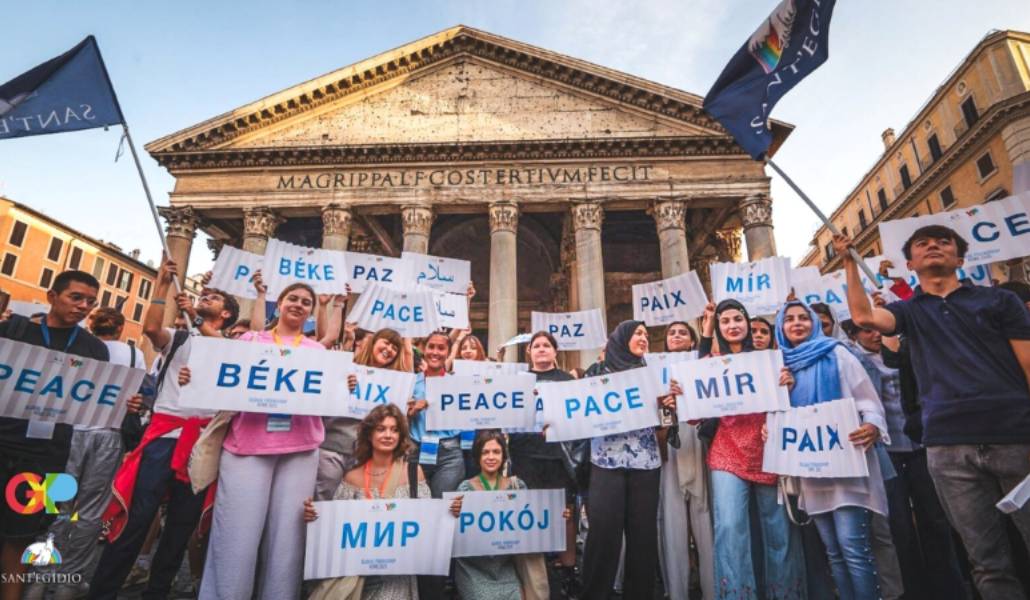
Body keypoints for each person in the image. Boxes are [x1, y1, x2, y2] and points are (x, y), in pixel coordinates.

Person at [836, 226, 1030, 599]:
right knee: (987, 560)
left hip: (1014, 436)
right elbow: (862, 316)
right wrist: (848, 262)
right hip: (947, 446)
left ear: (960, 259)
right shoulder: (908, 311)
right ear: (911, 263)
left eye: (944, 242)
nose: (933, 247)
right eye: (923, 244)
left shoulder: (999, 302)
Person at [89, 257, 239, 600]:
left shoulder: (232, 348)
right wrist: (161, 286)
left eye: (214, 297)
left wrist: (199, 320)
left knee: (181, 526)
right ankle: (104, 590)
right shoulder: (181, 337)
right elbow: (152, 329)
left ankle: (158, 591)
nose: (206, 297)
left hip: (201, 443)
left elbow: (223, 356)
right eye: (205, 295)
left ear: (226, 313)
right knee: (138, 517)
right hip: (165, 438)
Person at [182, 281, 334, 599]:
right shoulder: (250, 340)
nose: (299, 304)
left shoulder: (318, 352)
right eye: (292, 298)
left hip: (300, 448)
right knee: (236, 534)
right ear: (279, 304)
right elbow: (218, 373)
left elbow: (331, 393)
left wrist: (345, 383)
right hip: (247, 446)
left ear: (311, 312)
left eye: (306, 302)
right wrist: (193, 375)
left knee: (288, 540)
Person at [0, 271, 111, 600]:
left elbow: (97, 399)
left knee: (22, 538)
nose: (83, 306)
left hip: (49, 455)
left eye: (90, 301)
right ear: (52, 296)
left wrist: (125, 402)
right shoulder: (11, 332)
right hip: (3, 442)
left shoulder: (95, 350)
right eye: (75, 297)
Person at [842, 320, 966, 600]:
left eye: (882, 330)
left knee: (936, 522)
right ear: (854, 335)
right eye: (868, 330)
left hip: (922, 447)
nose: (877, 335)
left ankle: (950, 590)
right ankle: (913, 591)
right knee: (898, 528)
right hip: (887, 455)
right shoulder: (852, 363)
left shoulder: (910, 352)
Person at [776, 301, 889, 600]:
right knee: (834, 552)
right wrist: (781, 393)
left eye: (804, 318)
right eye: (789, 319)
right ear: (781, 327)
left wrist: (873, 426)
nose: (797, 323)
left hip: (847, 461)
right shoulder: (778, 365)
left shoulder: (837, 353)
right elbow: (775, 419)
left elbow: (868, 399)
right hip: (812, 471)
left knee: (854, 547)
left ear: (814, 322)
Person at [695, 300, 804, 599]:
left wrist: (789, 384)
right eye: (725, 320)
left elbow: (788, 403)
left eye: (738, 319)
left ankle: (784, 595)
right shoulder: (708, 365)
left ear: (747, 322)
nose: (733, 325)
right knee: (730, 529)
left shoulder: (771, 359)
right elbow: (694, 414)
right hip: (727, 453)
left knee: (779, 532)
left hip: (770, 451)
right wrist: (682, 395)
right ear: (718, 327)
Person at [580, 320, 679, 600]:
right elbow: (576, 412)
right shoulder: (597, 372)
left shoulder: (653, 374)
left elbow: (664, 424)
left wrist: (668, 407)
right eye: (638, 333)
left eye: (647, 335)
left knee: (642, 537)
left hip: (645, 464)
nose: (644, 338)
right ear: (621, 338)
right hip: (605, 464)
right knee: (603, 536)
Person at [304, 404, 430, 600]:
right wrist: (315, 516)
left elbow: (428, 522)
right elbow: (334, 526)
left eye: (394, 430)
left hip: (396, 574)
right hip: (357, 575)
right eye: (381, 429)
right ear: (369, 435)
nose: (388, 435)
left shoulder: (414, 473)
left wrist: (450, 513)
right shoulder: (352, 478)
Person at [507, 331, 581, 595]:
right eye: (536, 346)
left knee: (566, 513)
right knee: (529, 511)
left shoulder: (567, 381)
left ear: (554, 351)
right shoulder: (518, 381)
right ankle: (534, 570)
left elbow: (578, 416)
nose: (541, 349)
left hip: (558, 456)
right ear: (529, 352)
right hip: (525, 453)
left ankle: (569, 568)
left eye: (546, 345)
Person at [450, 430, 562, 599]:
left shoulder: (517, 487)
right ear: (477, 456)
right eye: (485, 452)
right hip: (473, 569)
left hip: (507, 567)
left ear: (504, 455)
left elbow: (534, 526)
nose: (491, 457)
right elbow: (454, 534)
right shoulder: (465, 489)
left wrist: (557, 517)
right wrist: (453, 513)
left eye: (496, 452)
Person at [317, 328, 413, 500]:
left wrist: (406, 405)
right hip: (333, 448)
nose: (389, 349)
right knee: (324, 499)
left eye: (395, 348)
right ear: (373, 342)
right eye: (386, 342)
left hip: (366, 455)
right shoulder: (347, 367)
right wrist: (341, 386)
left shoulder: (397, 383)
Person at [656, 321, 715, 600]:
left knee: (705, 518)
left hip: (698, 440)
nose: (677, 335)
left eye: (682, 332)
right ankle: (676, 592)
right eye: (671, 332)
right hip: (670, 446)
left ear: (692, 340)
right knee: (673, 522)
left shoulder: (702, 364)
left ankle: (713, 590)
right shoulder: (654, 371)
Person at [407, 330, 466, 600]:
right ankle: (414, 583)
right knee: (417, 517)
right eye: (431, 347)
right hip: (416, 451)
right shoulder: (410, 382)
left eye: (441, 348)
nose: (435, 352)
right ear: (424, 348)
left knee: (443, 519)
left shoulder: (458, 383)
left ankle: (437, 586)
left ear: (447, 352)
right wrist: (408, 410)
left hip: (450, 454)